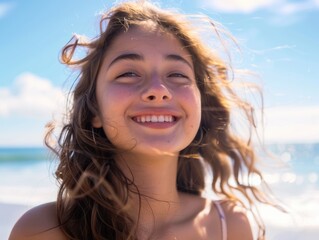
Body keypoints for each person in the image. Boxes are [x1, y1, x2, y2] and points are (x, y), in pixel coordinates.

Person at [10, 1, 279, 239]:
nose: (158, 90)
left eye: (177, 75)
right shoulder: (42, 230)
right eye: (128, 73)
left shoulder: (229, 225)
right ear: (95, 111)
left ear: (200, 105)